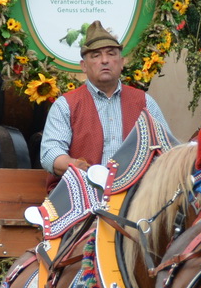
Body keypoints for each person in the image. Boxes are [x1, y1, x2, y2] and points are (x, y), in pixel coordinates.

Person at [40, 20, 174, 175]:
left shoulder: (144, 102)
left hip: (134, 193)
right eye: (96, 55)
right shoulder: (66, 105)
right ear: (83, 66)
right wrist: (74, 165)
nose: (104, 60)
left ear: (122, 62)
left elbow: (166, 149)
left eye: (111, 54)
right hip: (83, 190)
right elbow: (50, 153)